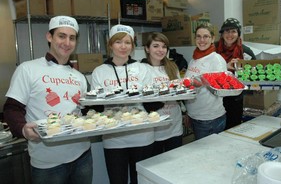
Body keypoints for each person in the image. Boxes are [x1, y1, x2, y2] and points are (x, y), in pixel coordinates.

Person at [3, 16, 93, 184]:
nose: (67, 42)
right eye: (61, 36)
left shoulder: (79, 77)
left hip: (82, 154)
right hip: (47, 161)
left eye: (72, 38)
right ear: (49, 37)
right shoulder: (28, 69)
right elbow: (12, 109)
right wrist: (23, 129)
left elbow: (86, 110)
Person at [91, 24, 155, 184]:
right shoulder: (99, 71)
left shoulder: (143, 69)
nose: (123, 46)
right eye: (118, 42)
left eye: (127, 42)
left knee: (141, 181)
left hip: (142, 136)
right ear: (110, 44)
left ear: (132, 46)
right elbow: (96, 107)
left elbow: (152, 102)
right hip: (113, 138)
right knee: (117, 180)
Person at [142, 32, 183, 155]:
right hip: (154, 129)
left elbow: (180, 92)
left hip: (174, 124)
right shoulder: (141, 68)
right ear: (147, 49)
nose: (160, 50)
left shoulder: (172, 66)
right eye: (156, 46)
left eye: (164, 46)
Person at [184, 23, 227, 140]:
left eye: (206, 36)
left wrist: (203, 83)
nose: (201, 40)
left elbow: (221, 89)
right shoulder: (194, 58)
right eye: (198, 36)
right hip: (195, 115)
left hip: (209, 119)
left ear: (212, 39)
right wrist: (189, 112)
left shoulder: (216, 60)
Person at [215, 18, 256, 129]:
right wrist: (225, 66)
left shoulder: (245, 51)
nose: (230, 34)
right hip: (215, 97)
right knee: (216, 129)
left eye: (233, 31)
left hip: (235, 97)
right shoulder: (213, 49)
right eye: (226, 31)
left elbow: (255, 73)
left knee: (233, 127)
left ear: (238, 33)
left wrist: (244, 69)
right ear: (222, 34)